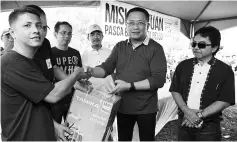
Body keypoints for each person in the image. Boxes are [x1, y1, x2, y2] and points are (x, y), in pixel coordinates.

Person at [1, 7, 84, 141]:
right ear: (12, 33)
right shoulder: (11, 62)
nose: (36, 30)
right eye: (27, 25)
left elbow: (33, 105)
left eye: (39, 25)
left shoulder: (30, 61)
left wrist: (54, 126)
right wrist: (76, 74)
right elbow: (54, 95)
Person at [85, 7, 167, 141]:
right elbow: (106, 68)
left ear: (147, 25)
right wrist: (91, 71)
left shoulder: (155, 48)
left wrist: (129, 86)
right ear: (126, 25)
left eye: (140, 23)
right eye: (131, 23)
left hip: (146, 109)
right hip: (123, 107)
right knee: (123, 139)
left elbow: (158, 80)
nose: (135, 27)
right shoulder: (120, 46)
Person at [169, 26, 235, 141]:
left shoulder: (225, 70)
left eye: (202, 45)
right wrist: (187, 112)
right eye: (194, 44)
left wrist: (198, 116)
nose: (196, 48)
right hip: (184, 121)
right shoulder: (183, 66)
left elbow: (225, 100)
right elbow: (175, 89)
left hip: (209, 126)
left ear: (214, 48)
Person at [51, 21, 82, 124]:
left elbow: (79, 74)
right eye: (63, 33)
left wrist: (83, 80)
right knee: (55, 131)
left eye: (69, 33)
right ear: (55, 34)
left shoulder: (75, 53)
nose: (67, 36)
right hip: (56, 99)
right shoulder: (50, 53)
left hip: (73, 99)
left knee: (72, 130)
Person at [82, 24, 112, 89]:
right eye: (92, 35)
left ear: (102, 36)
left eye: (98, 34)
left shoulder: (110, 52)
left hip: (109, 89)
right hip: (91, 90)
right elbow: (84, 74)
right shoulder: (84, 54)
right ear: (88, 37)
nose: (96, 37)